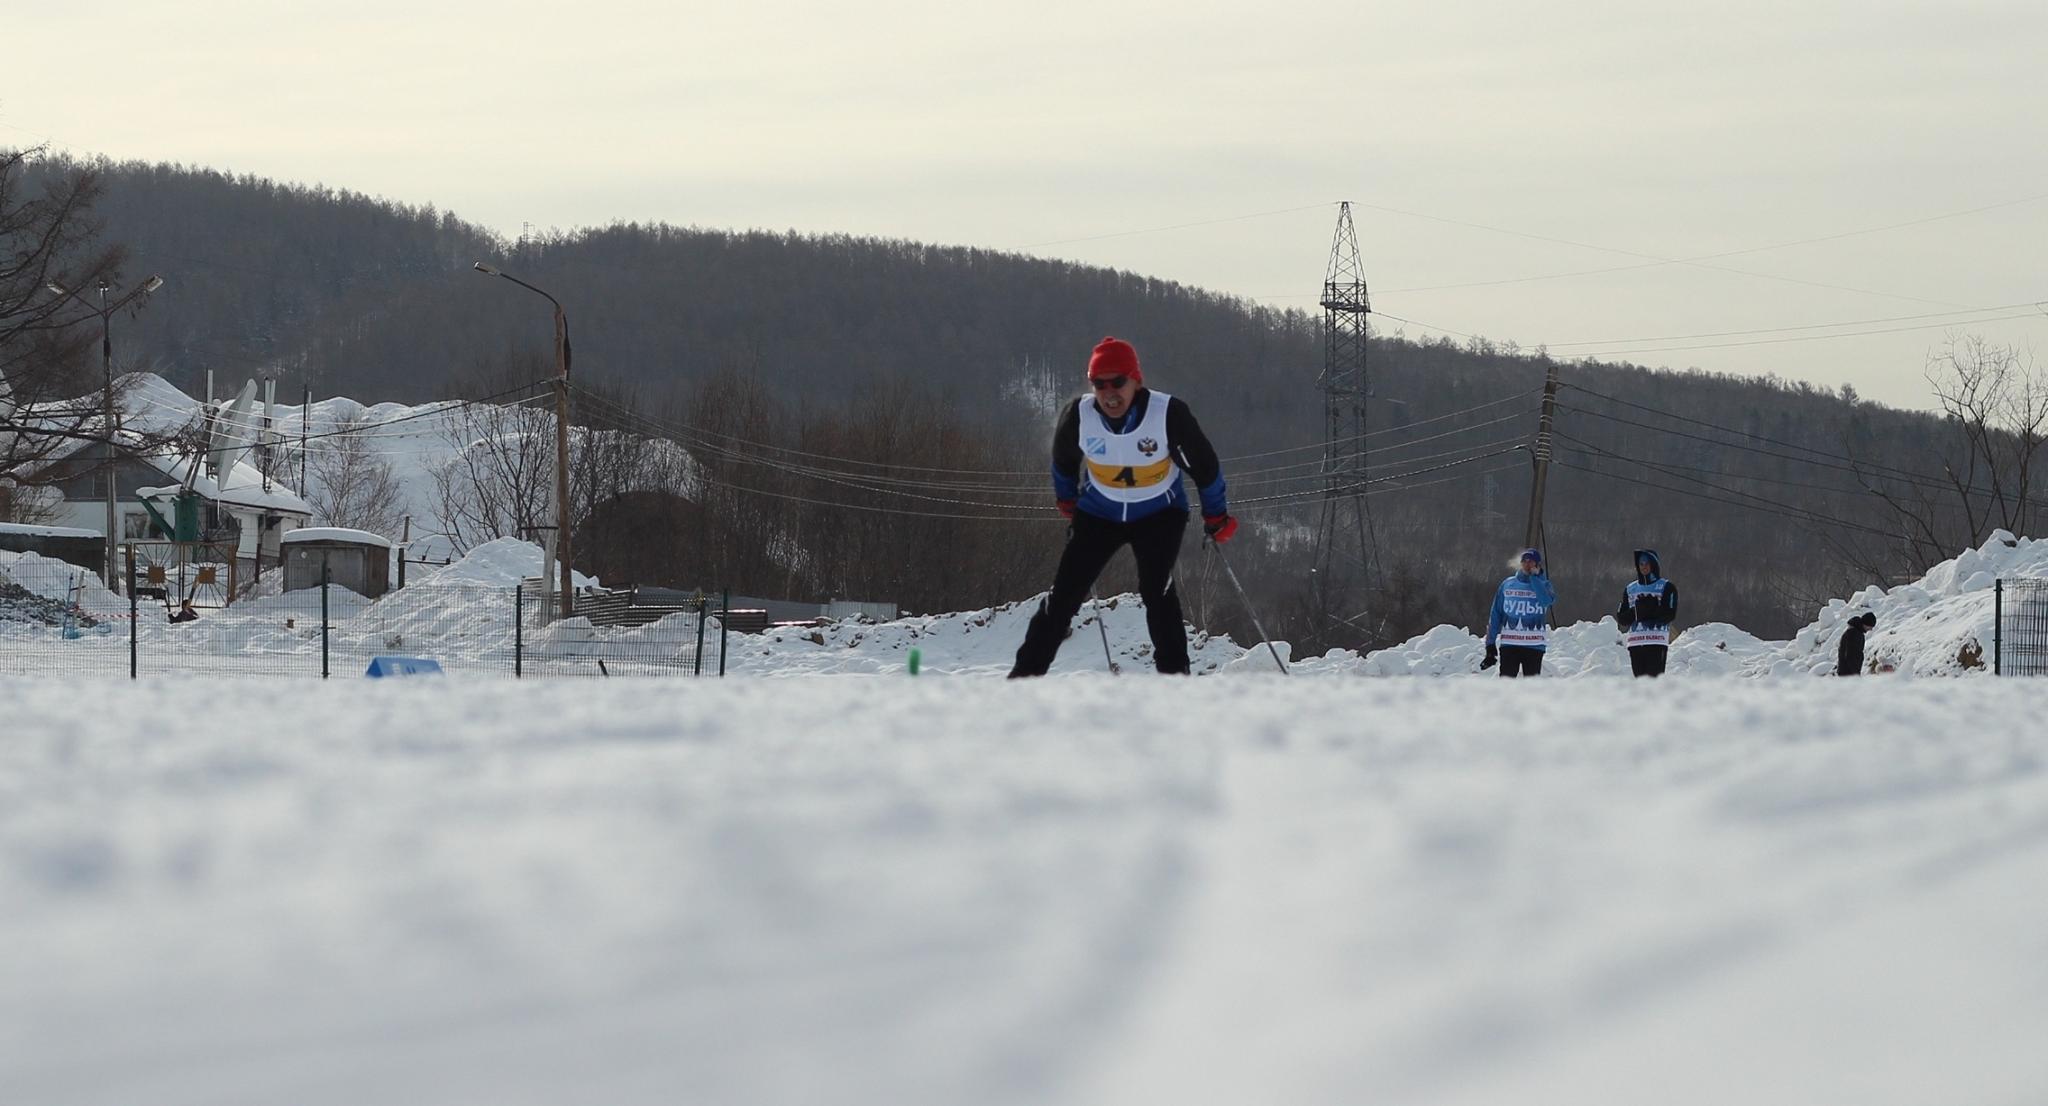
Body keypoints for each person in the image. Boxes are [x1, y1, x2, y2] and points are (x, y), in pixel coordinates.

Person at [1009, 336, 1233, 677]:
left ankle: (1174, 680)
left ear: (1136, 381)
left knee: (1155, 589)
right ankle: (1023, 678)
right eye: (1099, 383)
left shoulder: (1168, 413)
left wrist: (1216, 515)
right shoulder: (1080, 415)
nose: (1109, 392)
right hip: (1101, 513)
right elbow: (1063, 462)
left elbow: (1205, 467)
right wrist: (1067, 500)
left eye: (1118, 382)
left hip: (1159, 513)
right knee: (1065, 595)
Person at [1482, 548, 1556, 677]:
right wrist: (1490, 644)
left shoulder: (1545, 585)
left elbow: (1546, 601)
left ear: (1537, 564)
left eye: (1531, 562)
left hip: (1534, 645)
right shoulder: (1507, 584)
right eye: (1524, 561)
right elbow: (1496, 614)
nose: (1527, 565)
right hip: (1509, 644)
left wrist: (1534, 578)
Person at [1615, 549, 1678, 677]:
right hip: (1635, 643)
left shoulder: (1666, 587)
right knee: (1640, 685)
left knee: (1654, 684)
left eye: (1647, 563)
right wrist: (1636, 611)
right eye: (1641, 564)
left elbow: (1670, 614)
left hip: (1656, 641)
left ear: (1654, 565)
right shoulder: (1630, 589)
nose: (1644, 567)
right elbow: (1622, 619)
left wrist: (1651, 610)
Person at [1836, 611, 1876, 676]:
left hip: (1846, 671)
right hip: (1848, 673)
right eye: (1870, 626)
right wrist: (1855, 673)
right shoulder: (1854, 633)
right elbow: (1851, 655)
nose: (1871, 629)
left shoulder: (1855, 632)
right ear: (1866, 624)